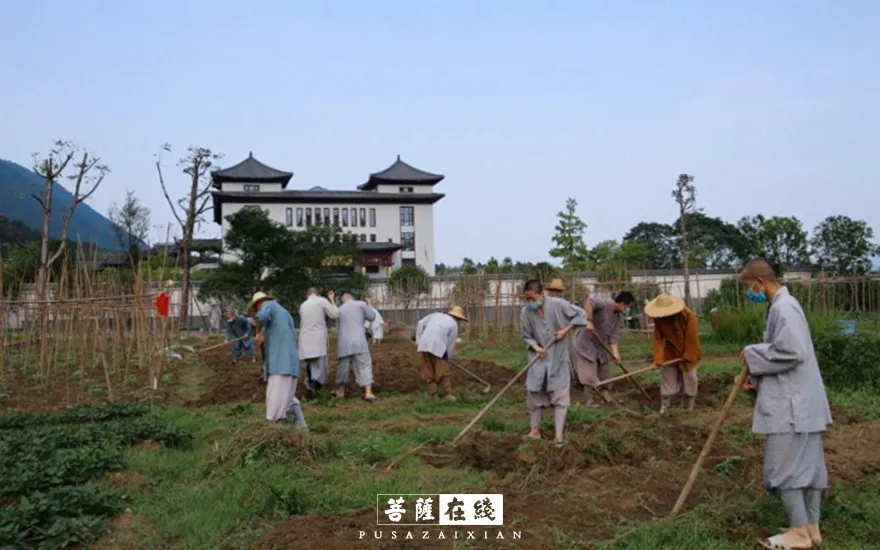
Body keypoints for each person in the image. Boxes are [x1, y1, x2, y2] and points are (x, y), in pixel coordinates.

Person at [736, 259, 831, 550]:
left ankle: (799, 533)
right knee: (809, 468)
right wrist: (758, 371)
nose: (749, 293)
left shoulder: (783, 307)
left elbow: (792, 351)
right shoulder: (783, 306)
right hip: (802, 402)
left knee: (782, 469)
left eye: (748, 287)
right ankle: (812, 528)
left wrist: (751, 354)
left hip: (792, 407)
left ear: (760, 282)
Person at [520, 279, 586, 446]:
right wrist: (536, 347)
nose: (530, 302)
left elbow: (581, 315)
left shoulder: (559, 304)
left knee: (560, 396)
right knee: (535, 394)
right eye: (527, 299)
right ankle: (534, 431)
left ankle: (558, 436)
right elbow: (526, 335)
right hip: (539, 360)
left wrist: (565, 330)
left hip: (558, 357)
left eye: (532, 298)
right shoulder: (526, 312)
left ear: (542, 294)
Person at [248, 292, 307, 427]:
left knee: (275, 395)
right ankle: (301, 423)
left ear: (259, 304)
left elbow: (262, 317)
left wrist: (257, 332)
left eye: (257, 309)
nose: (257, 312)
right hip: (290, 361)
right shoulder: (284, 313)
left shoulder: (269, 305)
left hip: (281, 361)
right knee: (287, 396)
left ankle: (274, 428)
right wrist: (264, 335)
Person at [573, 291, 635, 406]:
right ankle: (589, 400)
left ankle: (607, 398)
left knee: (605, 370)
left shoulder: (617, 318)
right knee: (588, 371)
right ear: (621, 303)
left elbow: (614, 337)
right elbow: (589, 302)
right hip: (585, 342)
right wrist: (589, 321)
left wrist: (616, 354)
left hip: (600, 344)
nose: (626, 309)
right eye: (627, 306)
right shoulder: (605, 303)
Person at [644, 294, 701, 414]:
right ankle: (665, 406)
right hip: (670, 352)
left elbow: (692, 337)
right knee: (668, 376)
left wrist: (688, 355)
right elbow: (658, 339)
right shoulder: (659, 318)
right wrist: (658, 359)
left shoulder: (688, 315)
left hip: (688, 350)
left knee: (690, 378)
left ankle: (689, 406)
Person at [415, 306, 469, 401]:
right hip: (438, 345)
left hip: (423, 343)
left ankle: (433, 395)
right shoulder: (454, 325)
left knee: (428, 370)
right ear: (459, 318)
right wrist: (447, 359)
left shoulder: (436, 315)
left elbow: (420, 323)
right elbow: (450, 344)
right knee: (443, 371)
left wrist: (418, 340)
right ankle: (447, 395)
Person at [335, 292, 377, 401]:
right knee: (364, 365)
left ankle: (341, 392)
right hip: (359, 341)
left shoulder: (340, 309)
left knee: (343, 368)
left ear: (343, 301)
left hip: (344, 343)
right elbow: (372, 317)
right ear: (352, 298)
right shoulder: (360, 304)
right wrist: (369, 304)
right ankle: (368, 392)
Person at [298, 288, 338, 392]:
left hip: (305, 338)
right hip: (318, 338)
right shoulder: (321, 301)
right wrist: (332, 299)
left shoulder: (303, 305)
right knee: (320, 364)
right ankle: (317, 386)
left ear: (307, 295)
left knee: (310, 362)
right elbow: (335, 314)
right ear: (317, 294)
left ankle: (311, 383)